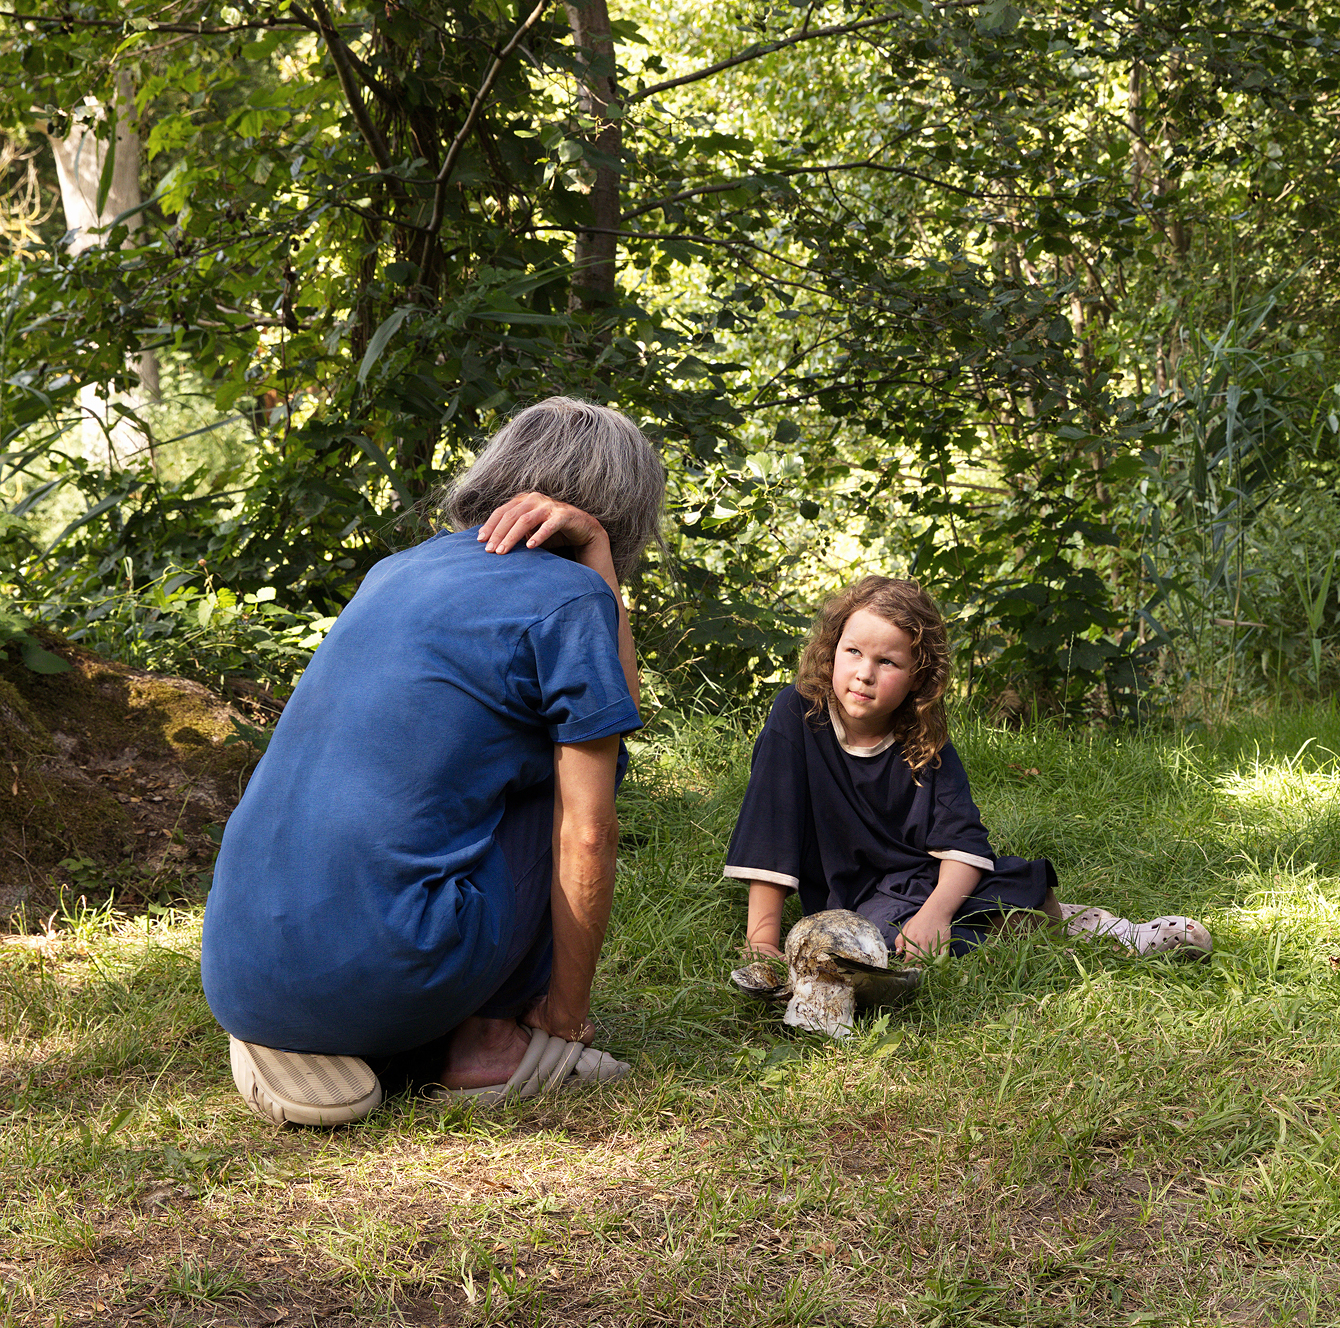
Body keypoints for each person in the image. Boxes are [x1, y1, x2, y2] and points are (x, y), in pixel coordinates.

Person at [201, 398, 658, 1126]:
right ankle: (487, 1042)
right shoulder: (567, 599)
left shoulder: (397, 569)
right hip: (394, 962)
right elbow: (590, 823)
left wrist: (593, 553)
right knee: (581, 775)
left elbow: (614, 702)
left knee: (570, 739)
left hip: (237, 966)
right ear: (623, 509)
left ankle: (303, 1016)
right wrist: (565, 1015)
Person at [724, 576, 1211, 971]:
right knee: (876, 943)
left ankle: (1106, 931)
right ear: (832, 649)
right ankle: (1016, 936)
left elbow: (964, 842)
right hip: (854, 896)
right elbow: (771, 826)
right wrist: (761, 940)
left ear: (918, 675)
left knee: (1019, 883)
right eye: (852, 652)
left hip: (925, 881)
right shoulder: (797, 715)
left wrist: (936, 913)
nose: (864, 673)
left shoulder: (921, 734)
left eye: (887, 661)